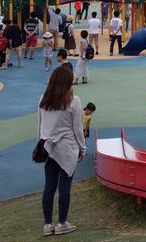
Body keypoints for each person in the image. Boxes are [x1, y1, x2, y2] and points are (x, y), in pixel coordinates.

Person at [38, 66, 86, 236]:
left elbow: (41, 125)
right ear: (68, 81)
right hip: (67, 148)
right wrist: (82, 147)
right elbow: (78, 128)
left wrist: (41, 144)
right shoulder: (74, 100)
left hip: (48, 148)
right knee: (64, 186)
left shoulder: (43, 98)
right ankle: (62, 223)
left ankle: (47, 224)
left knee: (49, 186)